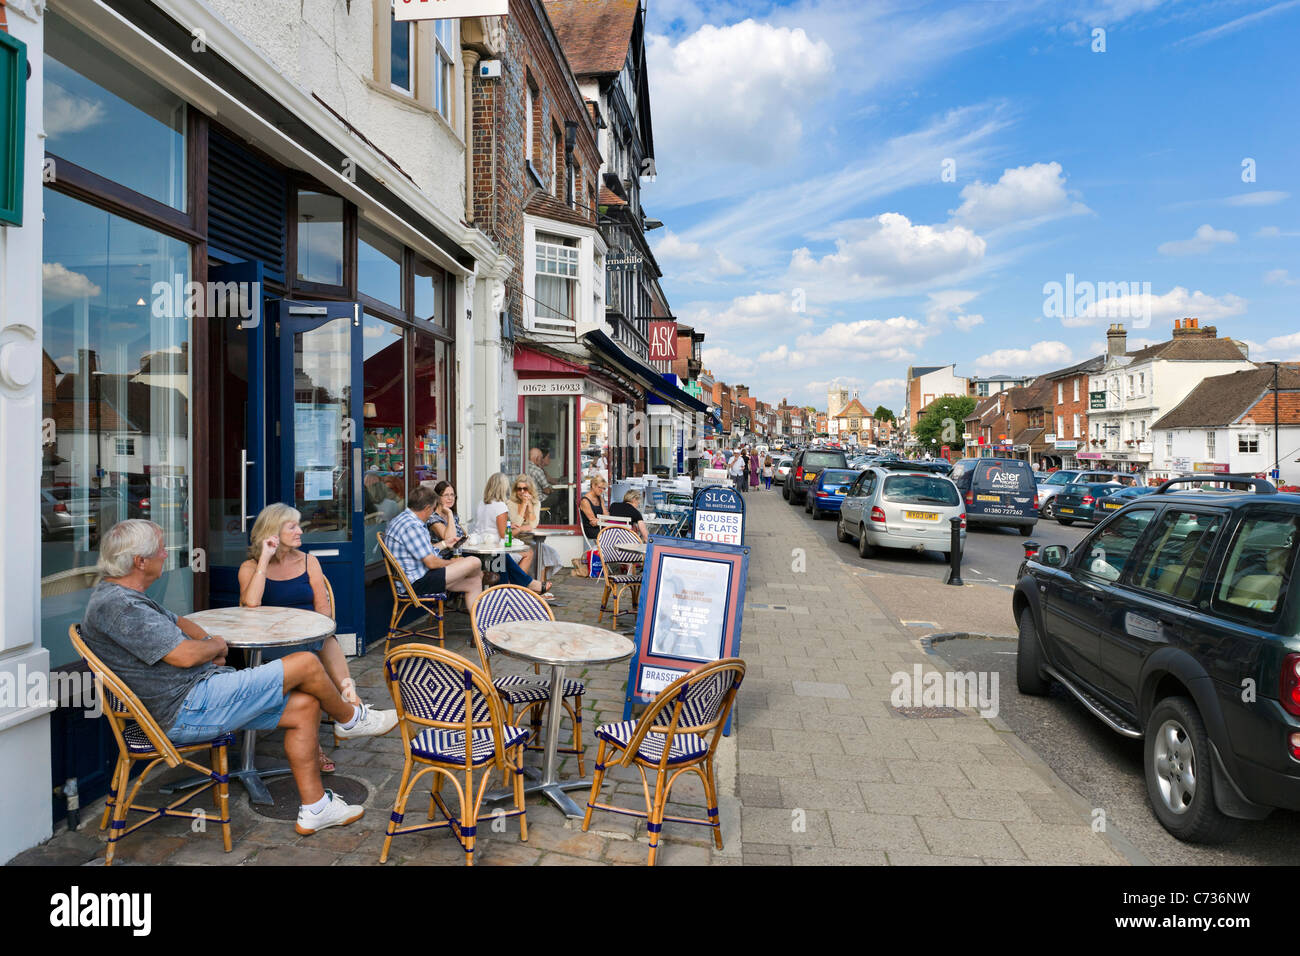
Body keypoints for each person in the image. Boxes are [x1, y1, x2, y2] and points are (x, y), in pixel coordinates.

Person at [82, 520, 397, 835]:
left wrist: (208, 646)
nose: (167, 555)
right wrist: (214, 646)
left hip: (198, 694)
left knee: (304, 706)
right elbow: (184, 655)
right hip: (185, 708)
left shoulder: (127, 596)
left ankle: (316, 808)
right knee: (304, 663)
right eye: (162, 549)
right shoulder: (120, 607)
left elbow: (182, 624)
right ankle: (352, 719)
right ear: (140, 561)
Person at [239, 503, 367, 773]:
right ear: (272, 532)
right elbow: (250, 604)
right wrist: (265, 558)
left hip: (310, 636)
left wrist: (314, 632)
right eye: (293, 526)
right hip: (273, 644)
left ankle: (351, 701)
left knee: (328, 642)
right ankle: (322, 740)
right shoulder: (250, 567)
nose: (301, 531)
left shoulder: (309, 561)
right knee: (306, 663)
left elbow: (324, 611)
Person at [386, 485, 485, 608]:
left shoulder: (403, 519)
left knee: (474, 582)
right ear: (427, 508)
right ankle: (474, 574)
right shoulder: (412, 526)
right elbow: (431, 563)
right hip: (417, 583)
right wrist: (454, 563)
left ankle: (479, 625)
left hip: (419, 576)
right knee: (474, 561)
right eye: (433, 509)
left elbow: (424, 551)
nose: (432, 513)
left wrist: (444, 544)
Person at [471, 473, 552, 597]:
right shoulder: (500, 505)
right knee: (527, 552)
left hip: (482, 544)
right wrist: (519, 529)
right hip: (495, 548)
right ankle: (519, 588)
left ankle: (525, 585)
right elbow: (504, 535)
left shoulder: (482, 502)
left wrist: (510, 524)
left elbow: (490, 525)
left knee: (530, 551)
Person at [509, 474, 563, 582]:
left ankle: (540, 583)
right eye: (519, 489)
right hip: (515, 540)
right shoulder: (511, 503)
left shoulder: (535, 503)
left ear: (530, 489)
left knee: (546, 551)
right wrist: (523, 505)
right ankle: (538, 585)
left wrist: (529, 507)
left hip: (529, 539)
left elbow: (533, 524)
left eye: (525, 488)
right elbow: (516, 523)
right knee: (541, 549)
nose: (522, 492)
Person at [427, 480, 467, 557]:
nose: (450, 498)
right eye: (446, 495)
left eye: (452, 495)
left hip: (458, 554)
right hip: (443, 558)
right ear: (438, 498)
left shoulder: (454, 515)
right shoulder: (433, 518)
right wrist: (449, 514)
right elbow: (450, 539)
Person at [579, 474, 610, 542]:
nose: (602, 490)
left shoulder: (600, 498)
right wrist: (604, 519)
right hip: (591, 530)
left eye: (604, 488)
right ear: (593, 486)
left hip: (601, 528)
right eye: (600, 487)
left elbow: (606, 515)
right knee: (613, 536)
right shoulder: (585, 501)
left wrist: (601, 519)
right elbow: (593, 522)